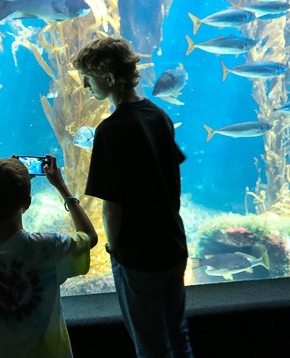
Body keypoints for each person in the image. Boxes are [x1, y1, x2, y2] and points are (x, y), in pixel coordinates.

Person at [74, 37, 193, 357]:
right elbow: (172, 184)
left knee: (150, 346)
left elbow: (111, 207)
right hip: (172, 245)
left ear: (108, 77)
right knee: (178, 336)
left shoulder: (110, 130)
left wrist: (115, 247)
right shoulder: (159, 116)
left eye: (88, 77)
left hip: (138, 255)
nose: (85, 85)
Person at [0, 156, 97, 357]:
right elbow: (89, 237)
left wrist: (0, 194)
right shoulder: (47, 246)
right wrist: (62, 187)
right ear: (27, 202)